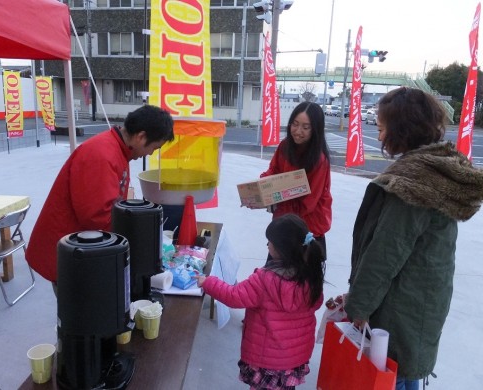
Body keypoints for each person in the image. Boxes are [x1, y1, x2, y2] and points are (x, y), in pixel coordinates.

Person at [344, 87, 483, 390]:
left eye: (381, 129)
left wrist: (358, 308)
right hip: (424, 302)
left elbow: (384, 256)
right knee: (408, 375)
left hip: (400, 308)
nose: (379, 138)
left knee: (394, 376)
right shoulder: (436, 170)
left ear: (401, 129)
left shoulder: (413, 184)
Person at [26, 105, 175, 290]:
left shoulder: (118, 150)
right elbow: (97, 217)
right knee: (79, 312)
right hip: (71, 250)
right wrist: (137, 242)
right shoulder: (101, 155)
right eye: (154, 148)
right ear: (141, 137)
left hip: (82, 248)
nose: (150, 154)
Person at [196, 214, 326, 390]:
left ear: (281, 248)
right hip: (293, 359)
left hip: (267, 361)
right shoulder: (311, 276)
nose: (267, 245)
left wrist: (208, 282)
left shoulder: (265, 280)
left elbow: (234, 296)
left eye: (270, 242)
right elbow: (316, 303)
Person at [256, 102, 332, 257]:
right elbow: (273, 171)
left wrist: (274, 200)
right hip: (283, 219)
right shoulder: (285, 146)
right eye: (295, 124)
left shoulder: (319, 160)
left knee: (300, 278)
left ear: (315, 129)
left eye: (306, 127)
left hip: (307, 226)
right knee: (272, 276)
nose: (298, 131)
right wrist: (262, 189)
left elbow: (308, 204)